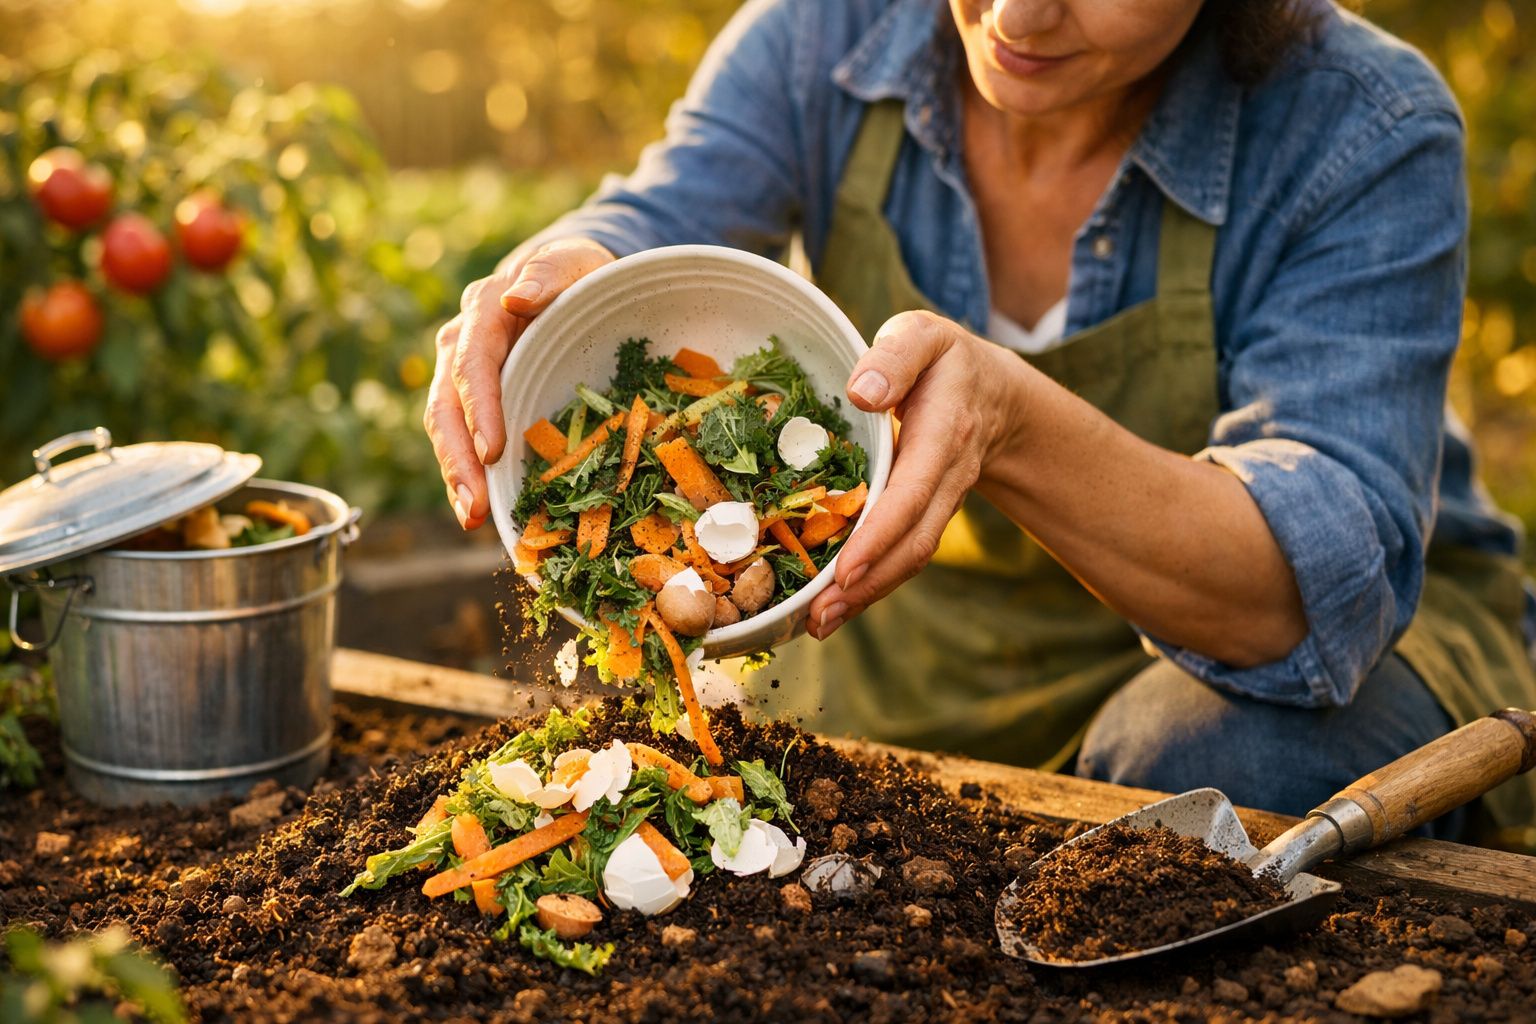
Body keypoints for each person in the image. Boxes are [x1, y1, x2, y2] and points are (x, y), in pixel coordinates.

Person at [425, 0, 1536, 839]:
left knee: (1206, 761)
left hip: (1301, 657)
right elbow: (657, 212)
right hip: (927, 631)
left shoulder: (1361, 125)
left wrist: (1010, 420)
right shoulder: (828, 30)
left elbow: (1295, 605)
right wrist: (555, 285)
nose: (1015, 17)